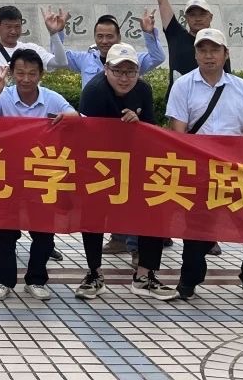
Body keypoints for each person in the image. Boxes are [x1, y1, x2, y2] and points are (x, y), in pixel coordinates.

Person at [165, 28, 243, 304]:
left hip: (236, 171)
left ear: (226, 54)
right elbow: (178, 133)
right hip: (200, 170)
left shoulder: (241, 87)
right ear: (195, 54)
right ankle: (189, 280)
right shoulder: (183, 86)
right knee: (197, 230)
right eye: (202, 50)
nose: (209, 56)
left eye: (215, 50)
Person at [0, 48, 79, 301]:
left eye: (32, 73)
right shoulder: (4, 96)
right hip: (9, 174)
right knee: (6, 230)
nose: (26, 79)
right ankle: (3, 280)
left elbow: (77, 118)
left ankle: (36, 279)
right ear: (12, 73)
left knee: (44, 230)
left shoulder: (52, 98)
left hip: (42, 175)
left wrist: (68, 118)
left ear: (41, 75)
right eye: (20, 73)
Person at [77, 44, 177, 301]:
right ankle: (94, 273)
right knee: (93, 215)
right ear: (106, 69)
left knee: (154, 208)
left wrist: (138, 124)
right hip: (100, 166)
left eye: (130, 72)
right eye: (118, 71)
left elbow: (152, 130)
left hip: (136, 163)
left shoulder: (143, 89)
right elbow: (87, 136)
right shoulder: (94, 91)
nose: (124, 78)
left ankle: (144, 275)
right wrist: (122, 129)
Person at [149, 0, 226, 82]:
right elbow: (162, 0)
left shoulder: (217, 43)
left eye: (202, 14)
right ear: (186, 18)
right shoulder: (176, 35)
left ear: (211, 17)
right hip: (178, 96)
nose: (197, 18)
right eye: (192, 14)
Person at [46, 8, 166, 87]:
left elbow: (158, 58)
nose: (104, 41)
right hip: (92, 116)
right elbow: (57, 59)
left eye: (109, 36)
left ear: (119, 37)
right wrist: (57, 33)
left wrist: (148, 33)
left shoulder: (132, 59)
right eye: (100, 36)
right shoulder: (84, 59)